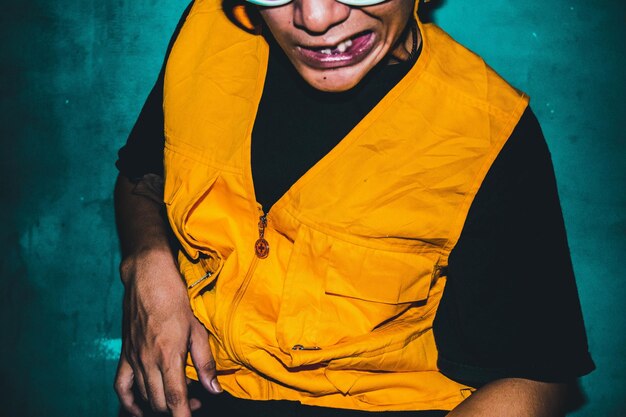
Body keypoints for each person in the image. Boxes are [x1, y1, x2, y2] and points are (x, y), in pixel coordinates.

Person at [113, 1, 595, 416]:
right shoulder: (210, 30)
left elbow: (537, 378)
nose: (316, 18)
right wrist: (145, 264)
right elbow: (142, 175)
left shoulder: (488, 131)